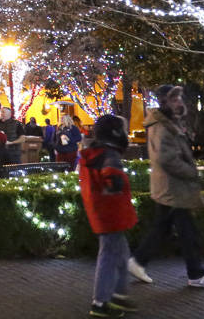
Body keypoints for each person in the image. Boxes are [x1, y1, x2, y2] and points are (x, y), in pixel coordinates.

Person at [127, 84, 204, 289]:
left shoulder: (166, 123)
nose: (179, 102)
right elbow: (167, 159)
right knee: (188, 232)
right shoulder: (163, 127)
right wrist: (191, 172)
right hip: (173, 186)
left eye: (179, 98)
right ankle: (196, 274)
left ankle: (138, 261)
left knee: (163, 227)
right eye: (174, 99)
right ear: (164, 102)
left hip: (169, 186)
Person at [79, 115, 139, 318]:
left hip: (102, 213)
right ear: (115, 133)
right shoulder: (110, 155)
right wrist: (116, 185)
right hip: (111, 215)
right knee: (109, 256)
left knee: (120, 254)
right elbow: (112, 180)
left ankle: (118, 295)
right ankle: (100, 302)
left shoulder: (94, 153)